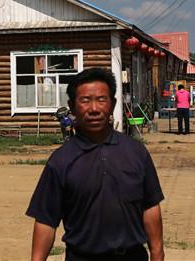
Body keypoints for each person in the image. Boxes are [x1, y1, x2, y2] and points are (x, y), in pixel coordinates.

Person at [26, 68, 164, 261]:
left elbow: (150, 206)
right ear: (72, 107)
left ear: (112, 104)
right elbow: (46, 220)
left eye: (101, 99)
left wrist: (157, 253)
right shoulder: (61, 161)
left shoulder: (136, 152)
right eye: (85, 100)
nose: (94, 109)